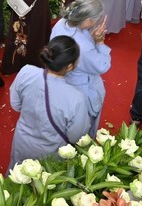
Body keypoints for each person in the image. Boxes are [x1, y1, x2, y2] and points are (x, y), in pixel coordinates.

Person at [9, 35, 89, 168]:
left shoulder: (26, 72)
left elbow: (15, 105)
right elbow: (76, 136)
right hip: (50, 153)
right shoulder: (76, 98)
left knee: (16, 175)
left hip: (22, 143)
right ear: (69, 66)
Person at [51, 0, 110, 134]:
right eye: (96, 19)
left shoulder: (62, 23)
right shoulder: (82, 46)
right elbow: (102, 65)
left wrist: (91, 37)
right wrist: (100, 42)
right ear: (88, 20)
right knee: (82, 129)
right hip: (81, 88)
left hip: (61, 81)